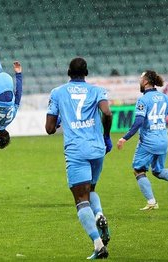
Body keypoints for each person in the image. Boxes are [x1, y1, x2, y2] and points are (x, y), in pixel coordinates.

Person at [45, 57, 113, 259]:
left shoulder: (58, 92)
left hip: (76, 151)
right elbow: (107, 113)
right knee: (91, 189)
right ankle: (99, 213)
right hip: (97, 148)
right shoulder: (96, 90)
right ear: (86, 73)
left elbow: (49, 129)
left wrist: (59, 121)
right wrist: (107, 136)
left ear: (68, 72)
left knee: (81, 200)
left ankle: (98, 244)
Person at [117, 70, 168, 211]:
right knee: (157, 170)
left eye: (141, 78)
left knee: (138, 170)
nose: (139, 80)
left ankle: (152, 202)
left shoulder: (143, 100)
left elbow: (138, 122)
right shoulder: (164, 97)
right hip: (163, 140)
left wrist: (124, 138)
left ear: (146, 81)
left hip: (149, 141)